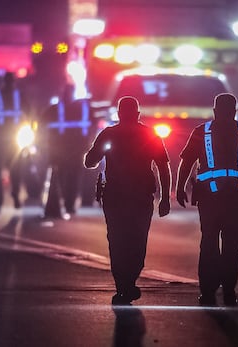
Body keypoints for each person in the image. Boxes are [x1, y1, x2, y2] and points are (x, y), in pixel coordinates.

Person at [175, 93, 238, 306]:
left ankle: (208, 292)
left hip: (210, 199)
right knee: (232, 245)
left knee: (209, 243)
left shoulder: (202, 131)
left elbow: (186, 163)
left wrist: (179, 188)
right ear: (235, 111)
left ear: (214, 110)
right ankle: (229, 291)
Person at [84, 96, 171, 305]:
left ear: (119, 114)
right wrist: (165, 197)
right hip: (141, 197)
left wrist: (100, 149)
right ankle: (129, 282)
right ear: (138, 114)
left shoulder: (109, 134)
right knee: (138, 241)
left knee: (116, 241)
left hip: (115, 197)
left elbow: (89, 162)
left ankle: (122, 286)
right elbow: (163, 167)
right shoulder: (149, 135)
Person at [39, 85, 93, 219]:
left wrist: (42, 145)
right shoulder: (83, 109)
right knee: (74, 178)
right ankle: (69, 206)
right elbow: (93, 126)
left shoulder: (53, 110)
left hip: (59, 150)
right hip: (77, 149)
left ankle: (62, 203)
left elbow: (41, 125)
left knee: (61, 178)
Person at [0, 72, 30, 214]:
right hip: (14, 140)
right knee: (16, 170)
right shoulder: (19, 96)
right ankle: (15, 197)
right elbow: (30, 114)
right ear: (14, 82)